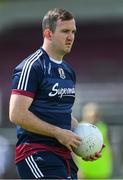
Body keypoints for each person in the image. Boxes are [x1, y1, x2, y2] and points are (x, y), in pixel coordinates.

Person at [9, 8, 103, 179]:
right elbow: (16, 114)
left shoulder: (68, 71)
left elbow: (64, 115)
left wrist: (85, 143)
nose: (71, 37)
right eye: (65, 31)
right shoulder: (32, 67)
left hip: (64, 158)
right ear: (48, 33)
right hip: (37, 154)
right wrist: (58, 133)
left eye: (73, 31)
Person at [74, 102, 113, 179]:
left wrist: (109, 165)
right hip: (85, 170)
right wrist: (78, 169)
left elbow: (109, 148)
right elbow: (74, 151)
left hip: (101, 169)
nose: (91, 117)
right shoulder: (78, 129)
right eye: (88, 114)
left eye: (93, 115)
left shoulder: (103, 127)